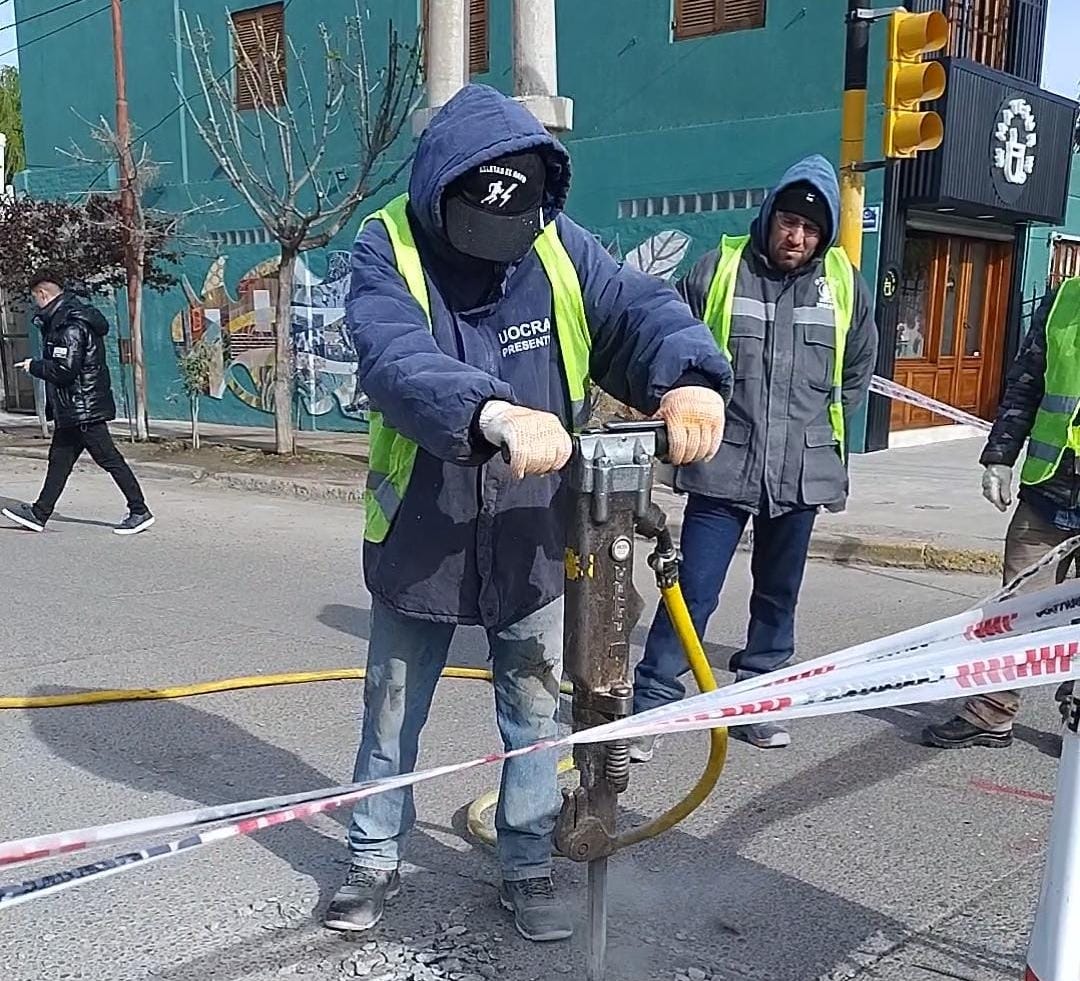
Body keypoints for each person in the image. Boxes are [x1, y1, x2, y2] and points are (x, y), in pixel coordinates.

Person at [324, 83, 732, 943]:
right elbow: (395, 357)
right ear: (442, 196)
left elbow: (638, 309)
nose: (496, 251)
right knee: (393, 707)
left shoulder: (555, 244)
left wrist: (689, 373)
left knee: (535, 707)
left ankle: (527, 862)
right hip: (422, 533)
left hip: (535, 530)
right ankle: (370, 854)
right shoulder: (386, 247)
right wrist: (491, 413)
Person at [629, 155, 878, 758]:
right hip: (724, 462)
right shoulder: (720, 268)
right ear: (770, 217)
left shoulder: (842, 284)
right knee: (693, 587)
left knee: (778, 593)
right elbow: (670, 341)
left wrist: (830, 447)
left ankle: (757, 700)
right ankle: (653, 699)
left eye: (811, 228)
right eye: (789, 221)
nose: (797, 237)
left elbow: (857, 370)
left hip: (800, 471)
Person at [924, 278, 1080, 749]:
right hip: (1049, 491)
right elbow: (1027, 383)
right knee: (1014, 610)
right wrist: (999, 455)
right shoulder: (1064, 299)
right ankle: (991, 711)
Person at [2, 270, 154, 536]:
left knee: (110, 460)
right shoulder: (62, 320)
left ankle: (139, 511)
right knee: (59, 461)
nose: (35, 303)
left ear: (43, 294)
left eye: (35, 297)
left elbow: (65, 369)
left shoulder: (69, 325)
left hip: (84, 408)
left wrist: (34, 366)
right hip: (73, 408)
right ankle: (39, 513)